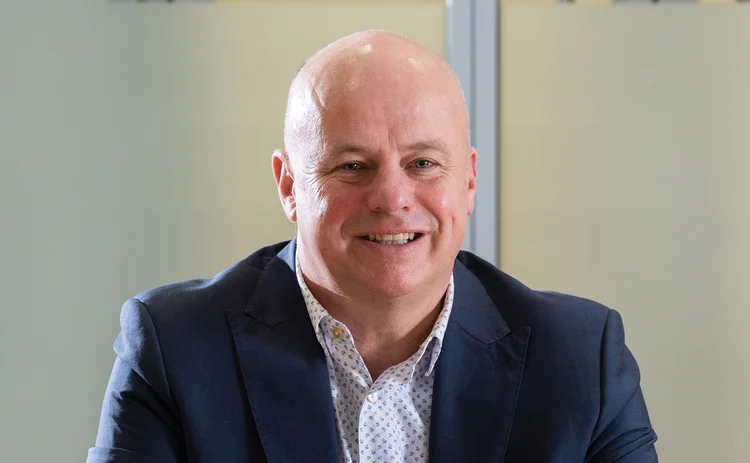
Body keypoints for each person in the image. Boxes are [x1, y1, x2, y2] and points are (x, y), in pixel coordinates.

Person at [87, 30, 658, 463]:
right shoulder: (175, 348)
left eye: (423, 163)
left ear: (469, 181)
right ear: (289, 186)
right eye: (352, 165)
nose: (391, 198)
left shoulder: (580, 358)